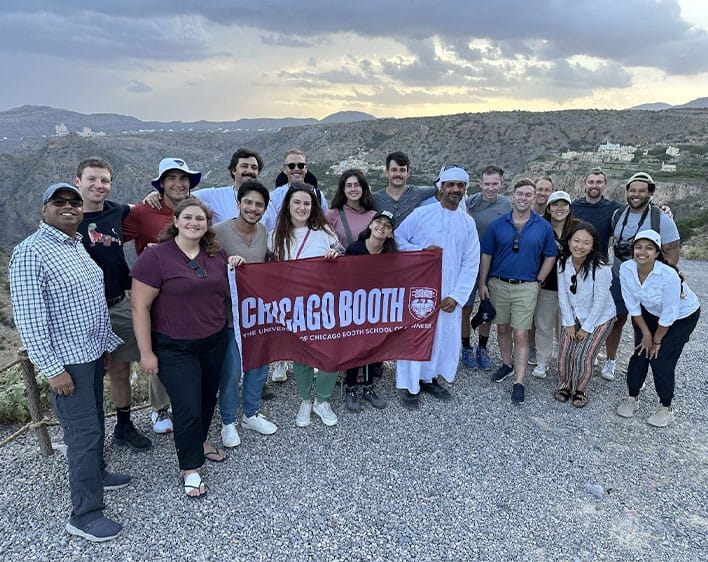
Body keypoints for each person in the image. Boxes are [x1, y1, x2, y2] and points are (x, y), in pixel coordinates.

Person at [9, 183, 127, 542]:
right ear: (43, 209)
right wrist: (53, 369)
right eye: (59, 202)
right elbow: (29, 320)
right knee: (84, 434)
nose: (69, 207)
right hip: (67, 364)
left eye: (74, 202)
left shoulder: (75, 245)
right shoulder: (31, 253)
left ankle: (98, 473)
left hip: (89, 354)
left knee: (92, 424)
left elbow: (88, 303)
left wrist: (104, 346)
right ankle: (85, 514)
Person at [131, 199, 239, 498]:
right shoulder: (155, 258)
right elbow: (140, 306)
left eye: (201, 219)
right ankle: (190, 468)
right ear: (176, 220)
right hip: (174, 346)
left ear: (207, 224)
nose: (194, 223)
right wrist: (146, 352)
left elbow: (228, 288)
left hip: (213, 339)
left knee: (206, 397)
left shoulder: (216, 254)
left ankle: (199, 441)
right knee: (187, 405)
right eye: (188, 217)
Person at [73, 157, 152, 452]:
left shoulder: (116, 211)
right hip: (83, 309)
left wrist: (152, 197)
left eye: (104, 180)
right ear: (77, 180)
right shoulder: (67, 218)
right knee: (89, 373)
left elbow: (139, 209)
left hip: (118, 301)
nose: (98, 185)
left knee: (120, 369)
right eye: (92, 179)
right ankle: (89, 434)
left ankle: (123, 425)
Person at [123, 157, 201, 434]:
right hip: (154, 295)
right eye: (171, 179)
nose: (178, 184)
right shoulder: (143, 211)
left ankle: (189, 404)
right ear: (161, 184)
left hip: (190, 294)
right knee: (158, 349)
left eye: (183, 179)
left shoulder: (197, 209)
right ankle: (160, 409)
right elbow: (109, 237)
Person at [394, 165, 479, 409]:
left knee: (441, 335)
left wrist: (457, 296)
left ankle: (428, 378)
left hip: (449, 293)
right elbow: (398, 240)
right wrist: (420, 251)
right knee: (414, 335)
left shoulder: (467, 222)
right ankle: (409, 386)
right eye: (450, 185)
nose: (455, 189)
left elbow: (471, 261)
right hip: (419, 290)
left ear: (464, 190)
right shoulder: (422, 214)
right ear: (441, 187)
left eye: (460, 186)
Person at [478, 178, 558, 404]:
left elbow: (551, 254)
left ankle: (519, 381)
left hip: (526, 287)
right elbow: (487, 255)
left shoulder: (542, 226)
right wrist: (482, 282)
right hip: (498, 284)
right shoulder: (498, 224)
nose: (523, 198)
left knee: (521, 334)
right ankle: (507, 364)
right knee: (502, 328)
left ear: (534, 198)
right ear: (513, 196)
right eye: (520, 194)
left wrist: (539, 280)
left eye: (528, 195)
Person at [269, 183, 342, 427]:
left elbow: (340, 257)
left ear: (313, 207)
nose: (302, 207)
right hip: (294, 306)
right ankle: (305, 399)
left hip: (324, 304)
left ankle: (323, 400)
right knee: (301, 356)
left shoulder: (324, 233)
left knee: (328, 353)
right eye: (297, 202)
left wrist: (335, 256)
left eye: (307, 203)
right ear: (288, 205)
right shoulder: (275, 236)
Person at [213, 180, 277, 447]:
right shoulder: (218, 232)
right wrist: (226, 265)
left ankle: (250, 413)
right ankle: (228, 421)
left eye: (259, 204)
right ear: (238, 203)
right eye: (248, 202)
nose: (253, 208)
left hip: (257, 315)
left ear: (264, 208)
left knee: (258, 369)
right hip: (229, 318)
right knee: (231, 372)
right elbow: (204, 266)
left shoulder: (264, 232)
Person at [616, 230, 700, 427]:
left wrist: (656, 341)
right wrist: (645, 334)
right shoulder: (627, 269)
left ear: (657, 253)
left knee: (660, 358)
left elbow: (669, 314)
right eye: (638, 247)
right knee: (640, 353)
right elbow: (632, 305)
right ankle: (632, 396)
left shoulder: (668, 275)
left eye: (649, 248)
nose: (642, 252)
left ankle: (666, 407)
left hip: (681, 317)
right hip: (649, 313)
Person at [603, 172, 680, 381]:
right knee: (617, 320)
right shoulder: (618, 215)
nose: (636, 194)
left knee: (643, 325)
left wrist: (672, 280)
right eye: (632, 190)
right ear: (627, 192)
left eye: (641, 191)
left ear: (650, 193)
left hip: (649, 282)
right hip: (620, 276)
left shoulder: (661, 218)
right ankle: (610, 361)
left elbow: (672, 249)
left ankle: (641, 370)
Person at [555, 222, 616, 407]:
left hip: (599, 318)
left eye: (586, 243)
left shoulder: (601, 267)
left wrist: (587, 328)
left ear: (593, 245)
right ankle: (566, 384)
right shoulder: (563, 262)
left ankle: (580, 389)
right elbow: (563, 295)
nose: (579, 246)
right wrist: (569, 323)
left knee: (584, 355)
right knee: (565, 352)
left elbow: (600, 302)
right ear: (569, 241)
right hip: (574, 315)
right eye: (576, 241)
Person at [342, 210, 396, 412]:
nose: (381, 226)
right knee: (355, 348)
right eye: (378, 222)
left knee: (375, 347)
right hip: (355, 307)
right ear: (371, 225)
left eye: (387, 225)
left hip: (378, 308)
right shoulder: (355, 249)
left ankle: (369, 386)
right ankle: (351, 387)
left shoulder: (390, 254)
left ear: (390, 233)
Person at [461, 165, 511, 369]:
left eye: (495, 184)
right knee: (465, 308)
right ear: (479, 183)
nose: (490, 188)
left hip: (494, 264)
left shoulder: (507, 205)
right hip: (469, 263)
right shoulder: (469, 203)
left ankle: (482, 348)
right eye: (486, 184)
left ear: (501, 183)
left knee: (487, 307)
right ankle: (465, 347)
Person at [531, 190, 580, 378]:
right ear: (549, 208)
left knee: (567, 325)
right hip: (547, 285)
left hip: (571, 288)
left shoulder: (577, 228)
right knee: (543, 326)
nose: (560, 208)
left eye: (563, 204)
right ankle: (543, 361)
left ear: (569, 207)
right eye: (555, 205)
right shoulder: (540, 228)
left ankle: (565, 359)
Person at [263, 149, 328, 231]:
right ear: (284, 170)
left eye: (301, 165)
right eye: (291, 166)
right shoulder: (273, 197)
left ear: (306, 169)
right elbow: (270, 226)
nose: (296, 169)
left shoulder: (318, 196)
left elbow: (324, 223)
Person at [372, 151, 436, 228]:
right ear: (387, 172)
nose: (398, 174)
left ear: (408, 173)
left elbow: (441, 189)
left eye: (402, 170)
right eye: (394, 170)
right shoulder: (375, 198)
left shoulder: (417, 193)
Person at [326, 169, 377, 248]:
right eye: (349, 185)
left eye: (357, 185)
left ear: (363, 188)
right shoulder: (332, 215)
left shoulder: (374, 216)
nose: (353, 189)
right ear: (343, 189)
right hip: (343, 259)